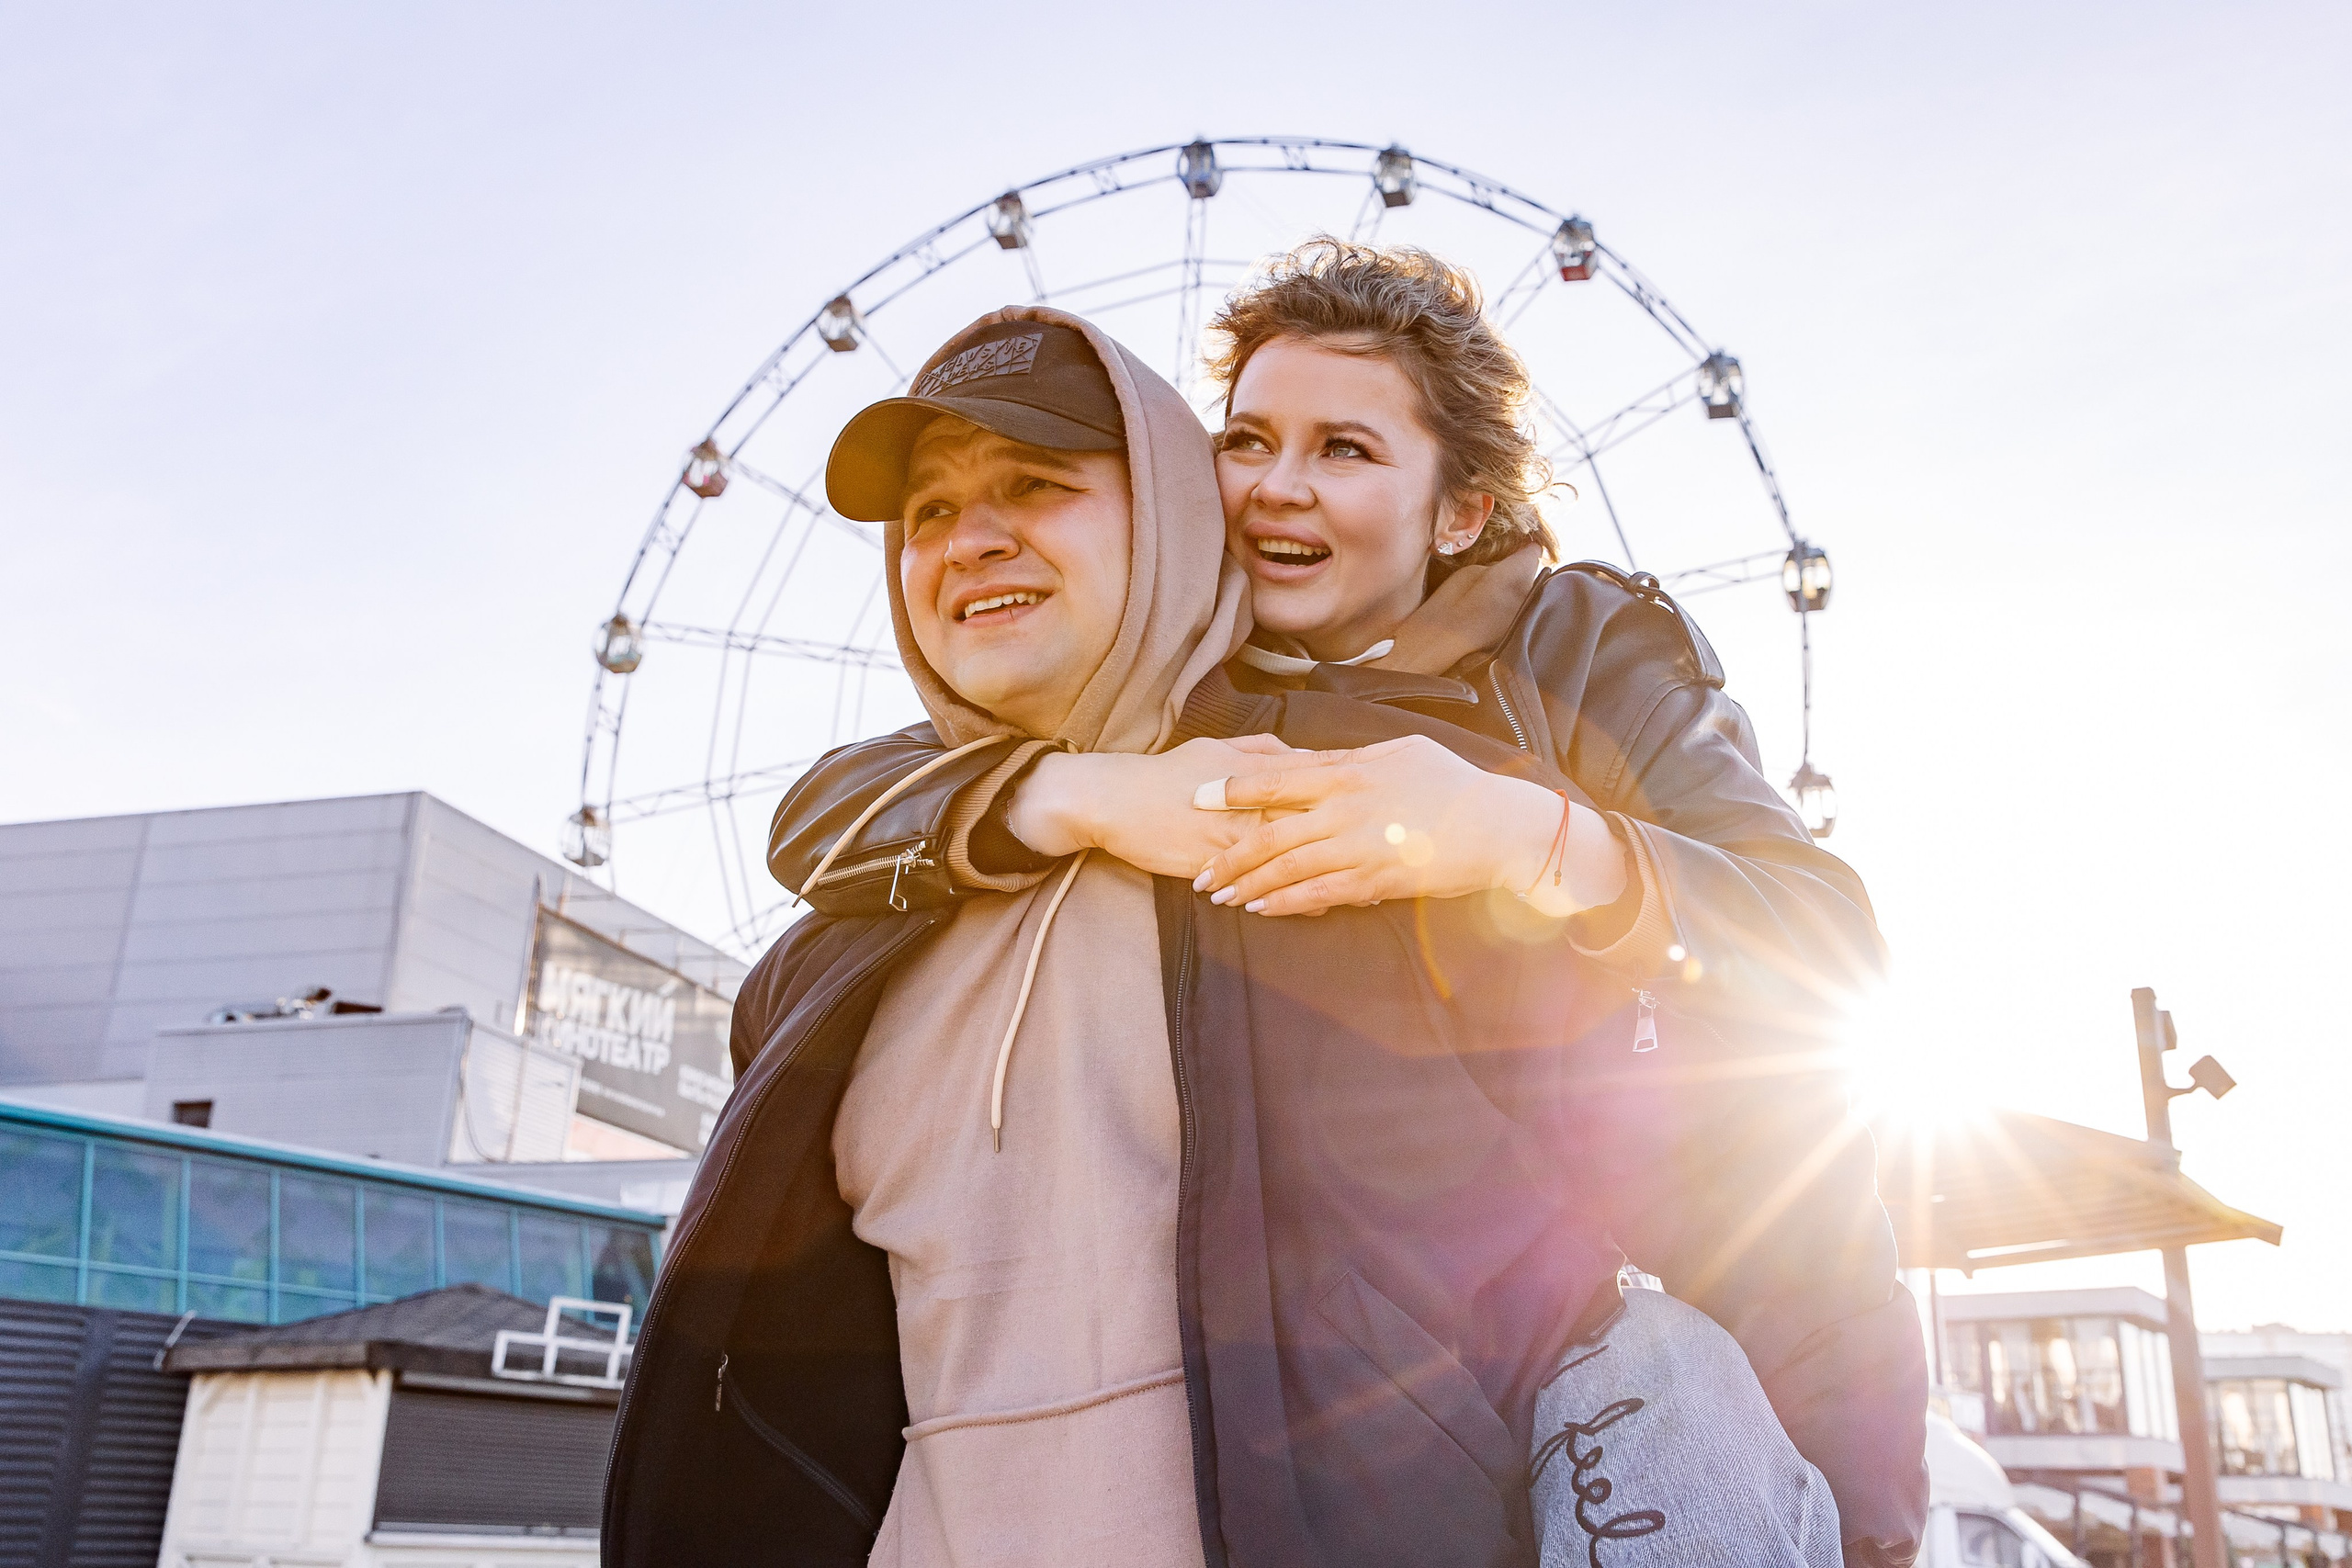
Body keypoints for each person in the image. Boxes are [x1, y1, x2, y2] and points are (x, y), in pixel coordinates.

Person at [605, 299, 1921, 1568]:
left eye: (1345, 449)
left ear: (1460, 508)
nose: (1275, 488)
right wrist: (1082, 792)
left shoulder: (1505, 721)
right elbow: (821, 818)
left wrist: (1518, 835)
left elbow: (1771, 1088)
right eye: (1243, 442)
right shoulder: (890, 891)